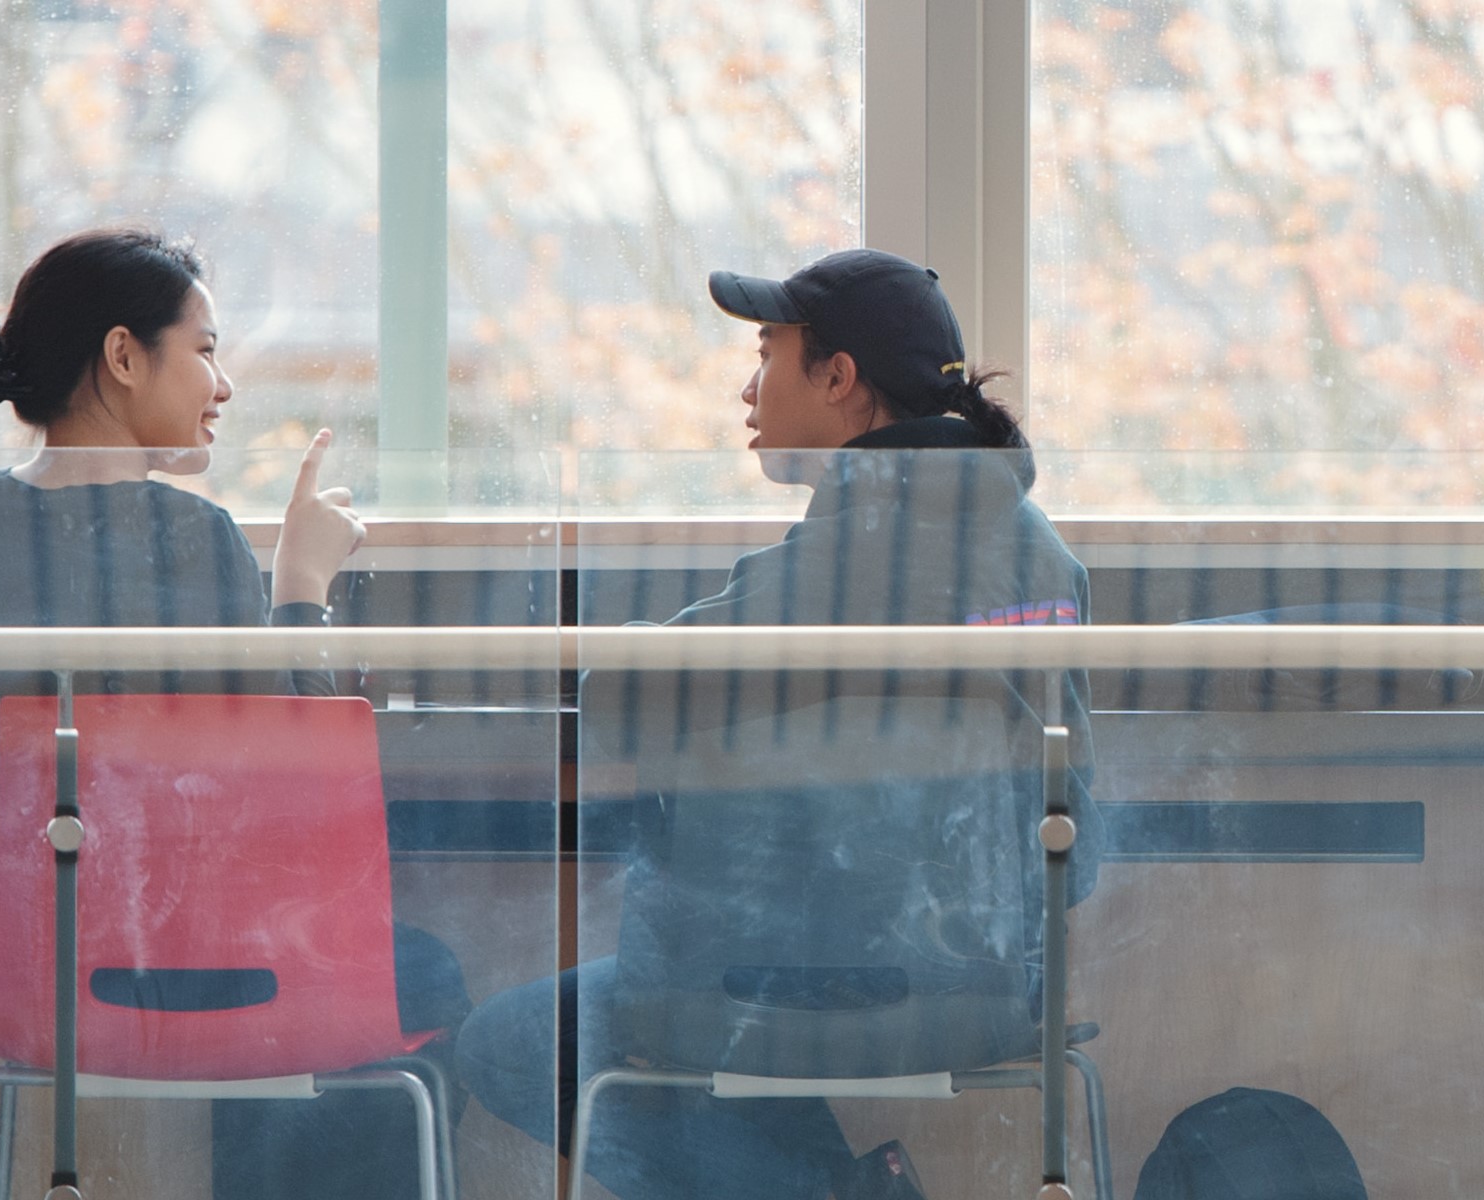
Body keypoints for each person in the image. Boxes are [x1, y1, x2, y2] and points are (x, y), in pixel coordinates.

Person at [0, 228, 456, 1199]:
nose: (223, 385)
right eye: (204, 349)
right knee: (421, 973)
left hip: (14, 972)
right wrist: (300, 584)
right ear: (123, 356)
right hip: (213, 969)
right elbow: (295, 784)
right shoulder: (195, 536)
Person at [452, 249, 1093, 1200]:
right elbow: (1083, 843)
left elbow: (620, 701)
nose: (747, 388)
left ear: (838, 379)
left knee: (511, 1042)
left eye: (766, 355)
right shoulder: (1042, 556)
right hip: (985, 990)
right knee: (738, 1047)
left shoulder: (847, 556)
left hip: (774, 990)